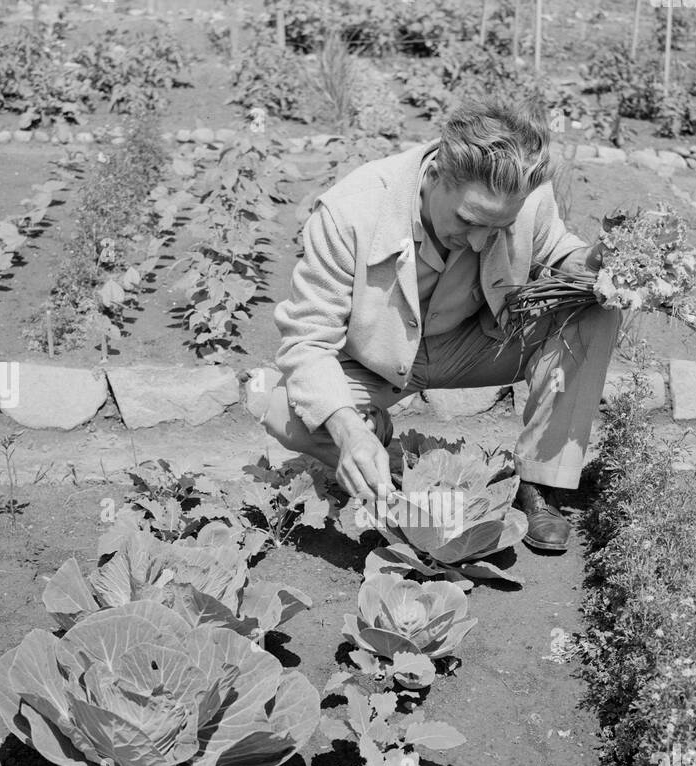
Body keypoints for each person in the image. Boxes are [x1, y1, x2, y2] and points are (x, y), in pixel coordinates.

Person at [248, 98, 621, 553]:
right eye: (469, 220)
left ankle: (540, 482)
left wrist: (593, 264)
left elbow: (558, 250)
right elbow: (307, 339)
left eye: (498, 228)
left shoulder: (526, 201)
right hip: (376, 363)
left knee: (595, 306)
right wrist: (346, 426)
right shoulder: (351, 213)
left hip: (477, 347)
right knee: (281, 405)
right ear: (437, 175)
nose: (482, 239)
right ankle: (383, 458)